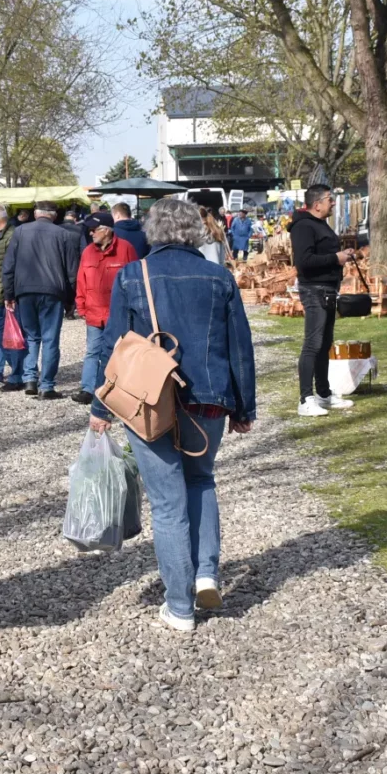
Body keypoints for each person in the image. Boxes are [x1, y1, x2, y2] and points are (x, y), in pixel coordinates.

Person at [89, 198, 256, 632]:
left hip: (149, 400)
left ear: (153, 231)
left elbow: (113, 346)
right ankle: (206, 575)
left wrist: (100, 405)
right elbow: (239, 347)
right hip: (209, 399)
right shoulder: (220, 277)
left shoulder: (132, 275)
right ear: (195, 231)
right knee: (201, 480)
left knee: (167, 503)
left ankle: (180, 607)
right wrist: (244, 406)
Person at [291, 184, 357, 417]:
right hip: (314, 290)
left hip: (327, 290)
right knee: (313, 344)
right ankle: (305, 399)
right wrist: (335, 258)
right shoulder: (303, 226)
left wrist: (342, 256)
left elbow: (322, 255)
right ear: (317, 204)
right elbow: (304, 261)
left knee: (324, 343)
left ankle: (323, 394)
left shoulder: (320, 224)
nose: (333, 202)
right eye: (330, 199)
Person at [2, 200, 80, 399]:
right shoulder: (63, 234)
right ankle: (47, 385)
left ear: (36, 214)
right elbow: (72, 271)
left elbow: (8, 266)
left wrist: (8, 294)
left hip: (25, 291)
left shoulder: (20, 232)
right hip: (53, 292)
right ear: (54, 216)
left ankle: (30, 378)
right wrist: (71, 300)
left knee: (31, 336)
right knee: (50, 339)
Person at [73, 212, 138, 405]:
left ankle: (116, 390)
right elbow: (81, 281)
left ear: (107, 230)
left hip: (118, 313)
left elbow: (135, 280)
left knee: (118, 352)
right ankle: (87, 389)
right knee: (93, 351)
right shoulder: (88, 252)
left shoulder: (126, 249)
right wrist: (81, 306)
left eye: (94, 229)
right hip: (94, 312)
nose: (91, 233)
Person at [0, 203, 25, 390]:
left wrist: (8, 295)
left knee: (10, 338)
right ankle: (21, 372)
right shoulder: (0, 236)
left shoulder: (10, 236)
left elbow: (10, 269)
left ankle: (18, 375)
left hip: (5, 299)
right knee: (3, 338)